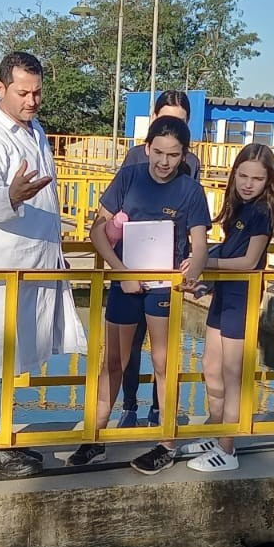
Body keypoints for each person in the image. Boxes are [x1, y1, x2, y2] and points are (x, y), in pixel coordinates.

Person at [0, 51, 88, 478]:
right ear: (1, 88)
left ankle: (3, 435)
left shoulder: (37, 131)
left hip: (35, 261)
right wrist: (11, 196)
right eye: (22, 93)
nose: (31, 101)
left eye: (36, 93)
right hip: (0, 266)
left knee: (14, 355)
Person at [69, 115, 210, 474]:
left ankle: (167, 443)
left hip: (164, 287)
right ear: (147, 148)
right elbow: (97, 231)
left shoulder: (190, 191)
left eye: (173, 155)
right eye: (158, 152)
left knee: (163, 362)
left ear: (184, 155)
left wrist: (192, 272)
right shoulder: (129, 177)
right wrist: (121, 272)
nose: (164, 162)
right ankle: (94, 437)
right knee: (113, 361)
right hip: (125, 282)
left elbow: (199, 246)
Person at [178, 143, 274, 472]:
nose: (248, 184)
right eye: (242, 176)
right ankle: (217, 432)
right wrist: (207, 278)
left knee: (232, 374)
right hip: (225, 291)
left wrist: (203, 262)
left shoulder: (263, 211)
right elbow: (229, 250)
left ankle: (227, 449)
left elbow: (248, 261)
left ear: (268, 181)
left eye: (257, 178)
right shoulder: (239, 206)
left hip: (242, 296)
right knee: (210, 366)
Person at [115, 90, 202, 429]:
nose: (166, 160)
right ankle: (129, 406)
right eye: (166, 119)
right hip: (134, 264)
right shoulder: (134, 159)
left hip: (168, 268)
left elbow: (191, 217)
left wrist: (193, 260)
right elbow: (114, 214)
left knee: (164, 351)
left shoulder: (190, 164)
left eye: (180, 122)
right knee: (128, 344)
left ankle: (159, 411)